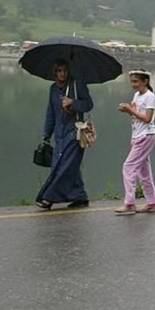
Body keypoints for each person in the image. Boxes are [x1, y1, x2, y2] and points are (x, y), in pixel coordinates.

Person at [36, 59, 94, 210]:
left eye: (65, 70)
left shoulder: (77, 85)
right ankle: (80, 196)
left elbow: (88, 104)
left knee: (65, 165)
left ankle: (49, 197)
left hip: (75, 133)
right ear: (55, 73)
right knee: (64, 165)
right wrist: (46, 135)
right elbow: (51, 113)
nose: (62, 74)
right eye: (59, 71)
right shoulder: (53, 89)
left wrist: (72, 102)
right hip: (59, 135)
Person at [114, 69, 155, 215]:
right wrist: (128, 109)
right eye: (132, 81)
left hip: (145, 135)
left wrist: (130, 110)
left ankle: (129, 203)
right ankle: (152, 203)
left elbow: (147, 118)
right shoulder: (137, 95)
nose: (133, 85)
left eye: (136, 81)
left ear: (145, 81)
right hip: (137, 135)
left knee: (128, 168)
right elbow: (136, 114)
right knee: (144, 171)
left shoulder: (150, 96)